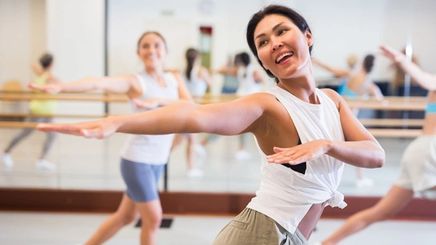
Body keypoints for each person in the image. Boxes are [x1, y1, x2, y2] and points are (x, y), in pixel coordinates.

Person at [37, 5, 385, 245]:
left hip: (293, 236)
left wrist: (327, 145)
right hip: (259, 233)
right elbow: (195, 115)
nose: (274, 42)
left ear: (306, 36)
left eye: (282, 31)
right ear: (262, 60)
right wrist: (116, 122)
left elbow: (375, 154)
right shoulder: (268, 104)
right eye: (262, 42)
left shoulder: (332, 100)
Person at [31, 31, 191, 245]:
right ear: (138, 52)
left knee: (126, 216)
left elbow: (190, 106)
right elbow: (98, 83)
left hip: (158, 161)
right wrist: (61, 87)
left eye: (157, 45)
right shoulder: (136, 82)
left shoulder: (174, 79)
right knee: (153, 218)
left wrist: (158, 101)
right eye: (145, 46)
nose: (151, 50)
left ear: (166, 50)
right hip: (137, 161)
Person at [320, 45, 436, 245]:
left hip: (418, 151)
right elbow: (425, 79)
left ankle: (327, 242)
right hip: (429, 151)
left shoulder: (354, 76)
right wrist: (403, 61)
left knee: (379, 212)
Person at [313, 55, 384, 187]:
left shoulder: (351, 75)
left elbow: (331, 69)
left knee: (334, 143)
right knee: (359, 146)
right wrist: (363, 100)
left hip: (336, 111)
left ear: (362, 63)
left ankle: (324, 174)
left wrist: (315, 61)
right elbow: (380, 99)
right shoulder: (369, 84)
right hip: (351, 116)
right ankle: (360, 178)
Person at [1, 53, 59, 171]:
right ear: (51, 64)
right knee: (25, 133)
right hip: (38, 112)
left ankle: (42, 160)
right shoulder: (47, 77)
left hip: (47, 112)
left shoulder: (41, 75)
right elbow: (56, 85)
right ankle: (6, 152)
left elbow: (37, 69)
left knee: (52, 135)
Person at [173, 47, 212, 177]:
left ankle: (161, 159)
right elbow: (210, 84)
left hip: (184, 108)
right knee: (188, 140)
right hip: (194, 109)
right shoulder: (201, 71)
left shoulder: (182, 71)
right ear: (198, 58)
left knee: (183, 139)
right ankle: (191, 168)